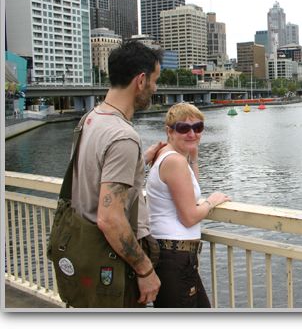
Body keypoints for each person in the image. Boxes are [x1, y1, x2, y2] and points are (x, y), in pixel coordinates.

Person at [72, 40, 164, 307]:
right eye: (155, 81)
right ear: (141, 80)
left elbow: (94, 174)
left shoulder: (89, 119)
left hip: (83, 254)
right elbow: (110, 218)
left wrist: (139, 163)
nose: (155, 89)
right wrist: (145, 269)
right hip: (111, 265)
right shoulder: (123, 137)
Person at [146, 102, 231, 308]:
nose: (192, 133)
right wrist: (212, 201)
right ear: (170, 131)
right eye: (184, 128)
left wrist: (193, 158)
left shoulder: (167, 154)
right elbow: (189, 216)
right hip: (174, 257)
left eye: (198, 127)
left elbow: (190, 193)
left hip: (171, 254)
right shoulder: (175, 161)